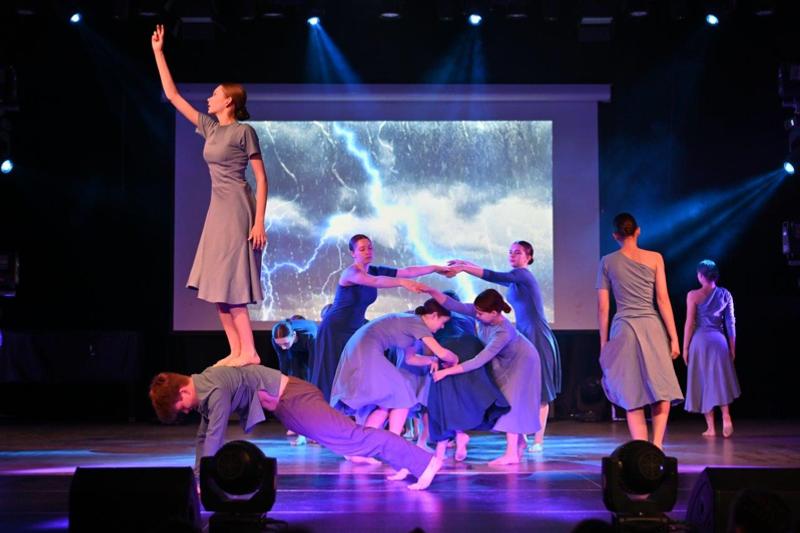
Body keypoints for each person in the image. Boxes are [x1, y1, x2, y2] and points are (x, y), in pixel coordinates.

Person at [151, 25, 267, 368]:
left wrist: (259, 222)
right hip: (217, 209)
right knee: (216, 283)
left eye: (214, 94)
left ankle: (250, 350)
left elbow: (262, 179)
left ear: (228, 100)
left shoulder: (243, 131)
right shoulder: (211, 128)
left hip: (237, 208)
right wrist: (158, 52)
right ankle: (235, 350)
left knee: (232, 280)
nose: (209, 98)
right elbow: (173, 96)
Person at [149, 365, 443, 491]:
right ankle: (405, 462)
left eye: (181, 407)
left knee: (354, 437)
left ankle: (425, 462)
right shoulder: (206, 386)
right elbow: (203, 436)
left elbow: (214, 436)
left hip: (296, 399)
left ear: (183, 392)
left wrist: (204, 480)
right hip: (287, 408)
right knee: (345, 444)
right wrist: (198, 477)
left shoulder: (214, 389)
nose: (186, 411)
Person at [448, 240, 561, 452]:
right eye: (510, 252)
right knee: (520, 387)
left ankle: (538, 440)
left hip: (536, 333)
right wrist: (465, 263)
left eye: (517, 252)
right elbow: (497, 276)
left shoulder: (523, 275)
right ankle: (521, 437)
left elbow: (493, 275)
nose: (512, 255)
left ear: (528, 257)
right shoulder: (516, 279)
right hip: (523, 333)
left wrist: (464, 268)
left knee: (540, 390)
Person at [310, 234, 449, 401]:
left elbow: (408, 271)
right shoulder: (351, 273)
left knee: (352, 374)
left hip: (354, 330)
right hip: (335, 329)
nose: (367, 252)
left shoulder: (375, 270)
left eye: (370, 248)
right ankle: (321, 410)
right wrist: (401, 282)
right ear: (353, 253)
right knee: (331, 373)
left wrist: (435, 268)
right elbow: (375, 281)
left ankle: (346, 412)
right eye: (362, 249)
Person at [423, 287, 542, 465]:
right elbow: (454, 305)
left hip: (523, 362)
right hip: (504, 360)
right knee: (506, 399)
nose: (476, 315)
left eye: (480, 313)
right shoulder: (483, 314)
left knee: (512, 403)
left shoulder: (504, 332)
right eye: (476, 312)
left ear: (493, 313)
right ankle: (520, 443)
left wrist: (446, 371)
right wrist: (431, 291)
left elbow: (479, 361)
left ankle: (511, 454)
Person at [596, 213, 683, 450]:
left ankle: (642, 450)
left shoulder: (607, 261)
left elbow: (603, 307)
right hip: (652, 327)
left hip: (623, 329)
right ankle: (657, 446)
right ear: (638, 231)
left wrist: (603, 343)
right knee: (661, 388)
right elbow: (663, 300)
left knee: (632, 391)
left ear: (615, 235)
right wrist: (674, 338)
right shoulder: (655, 258)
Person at [330, 299, 459, 435]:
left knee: (387, 405)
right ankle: (393, 442)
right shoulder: (417, 323)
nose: (442, 327)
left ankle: (364, 443)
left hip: (360, 349)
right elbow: (442, 353)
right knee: (403, 396)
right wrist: (456, 360)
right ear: (434, 315)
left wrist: (432, 360)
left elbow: (410, 359)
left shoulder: (412, 321)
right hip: (366, 350)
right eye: (443, 322)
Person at [425, 291, 510, 462]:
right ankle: (458, 435)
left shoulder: (436, 319)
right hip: (472, 348)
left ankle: (443, 446)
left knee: (442, 398)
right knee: (461, 397)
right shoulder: (469, 318)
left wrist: (431, 360)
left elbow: (429, 348)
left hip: (447, 350)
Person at [683, 260, 740, 437]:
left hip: (700, 341)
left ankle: (711, 428)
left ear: (701, 276)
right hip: (719, 341)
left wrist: (685, 347)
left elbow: (690, 323)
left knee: (704, 381)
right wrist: (732, 347)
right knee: (720, 380)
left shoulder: (693, 295)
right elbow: (731, 323)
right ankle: (726, 417)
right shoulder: (725, 294)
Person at [271, 317, 317, 382]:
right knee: (294, 369)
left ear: (294, 335)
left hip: (308, 343)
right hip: (294, 343)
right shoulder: (276, 340)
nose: (283, 347)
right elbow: (283, 361)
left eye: (285, 343)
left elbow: (314, 364)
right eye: (279, 344)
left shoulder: (310, 337)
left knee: (305, 371)